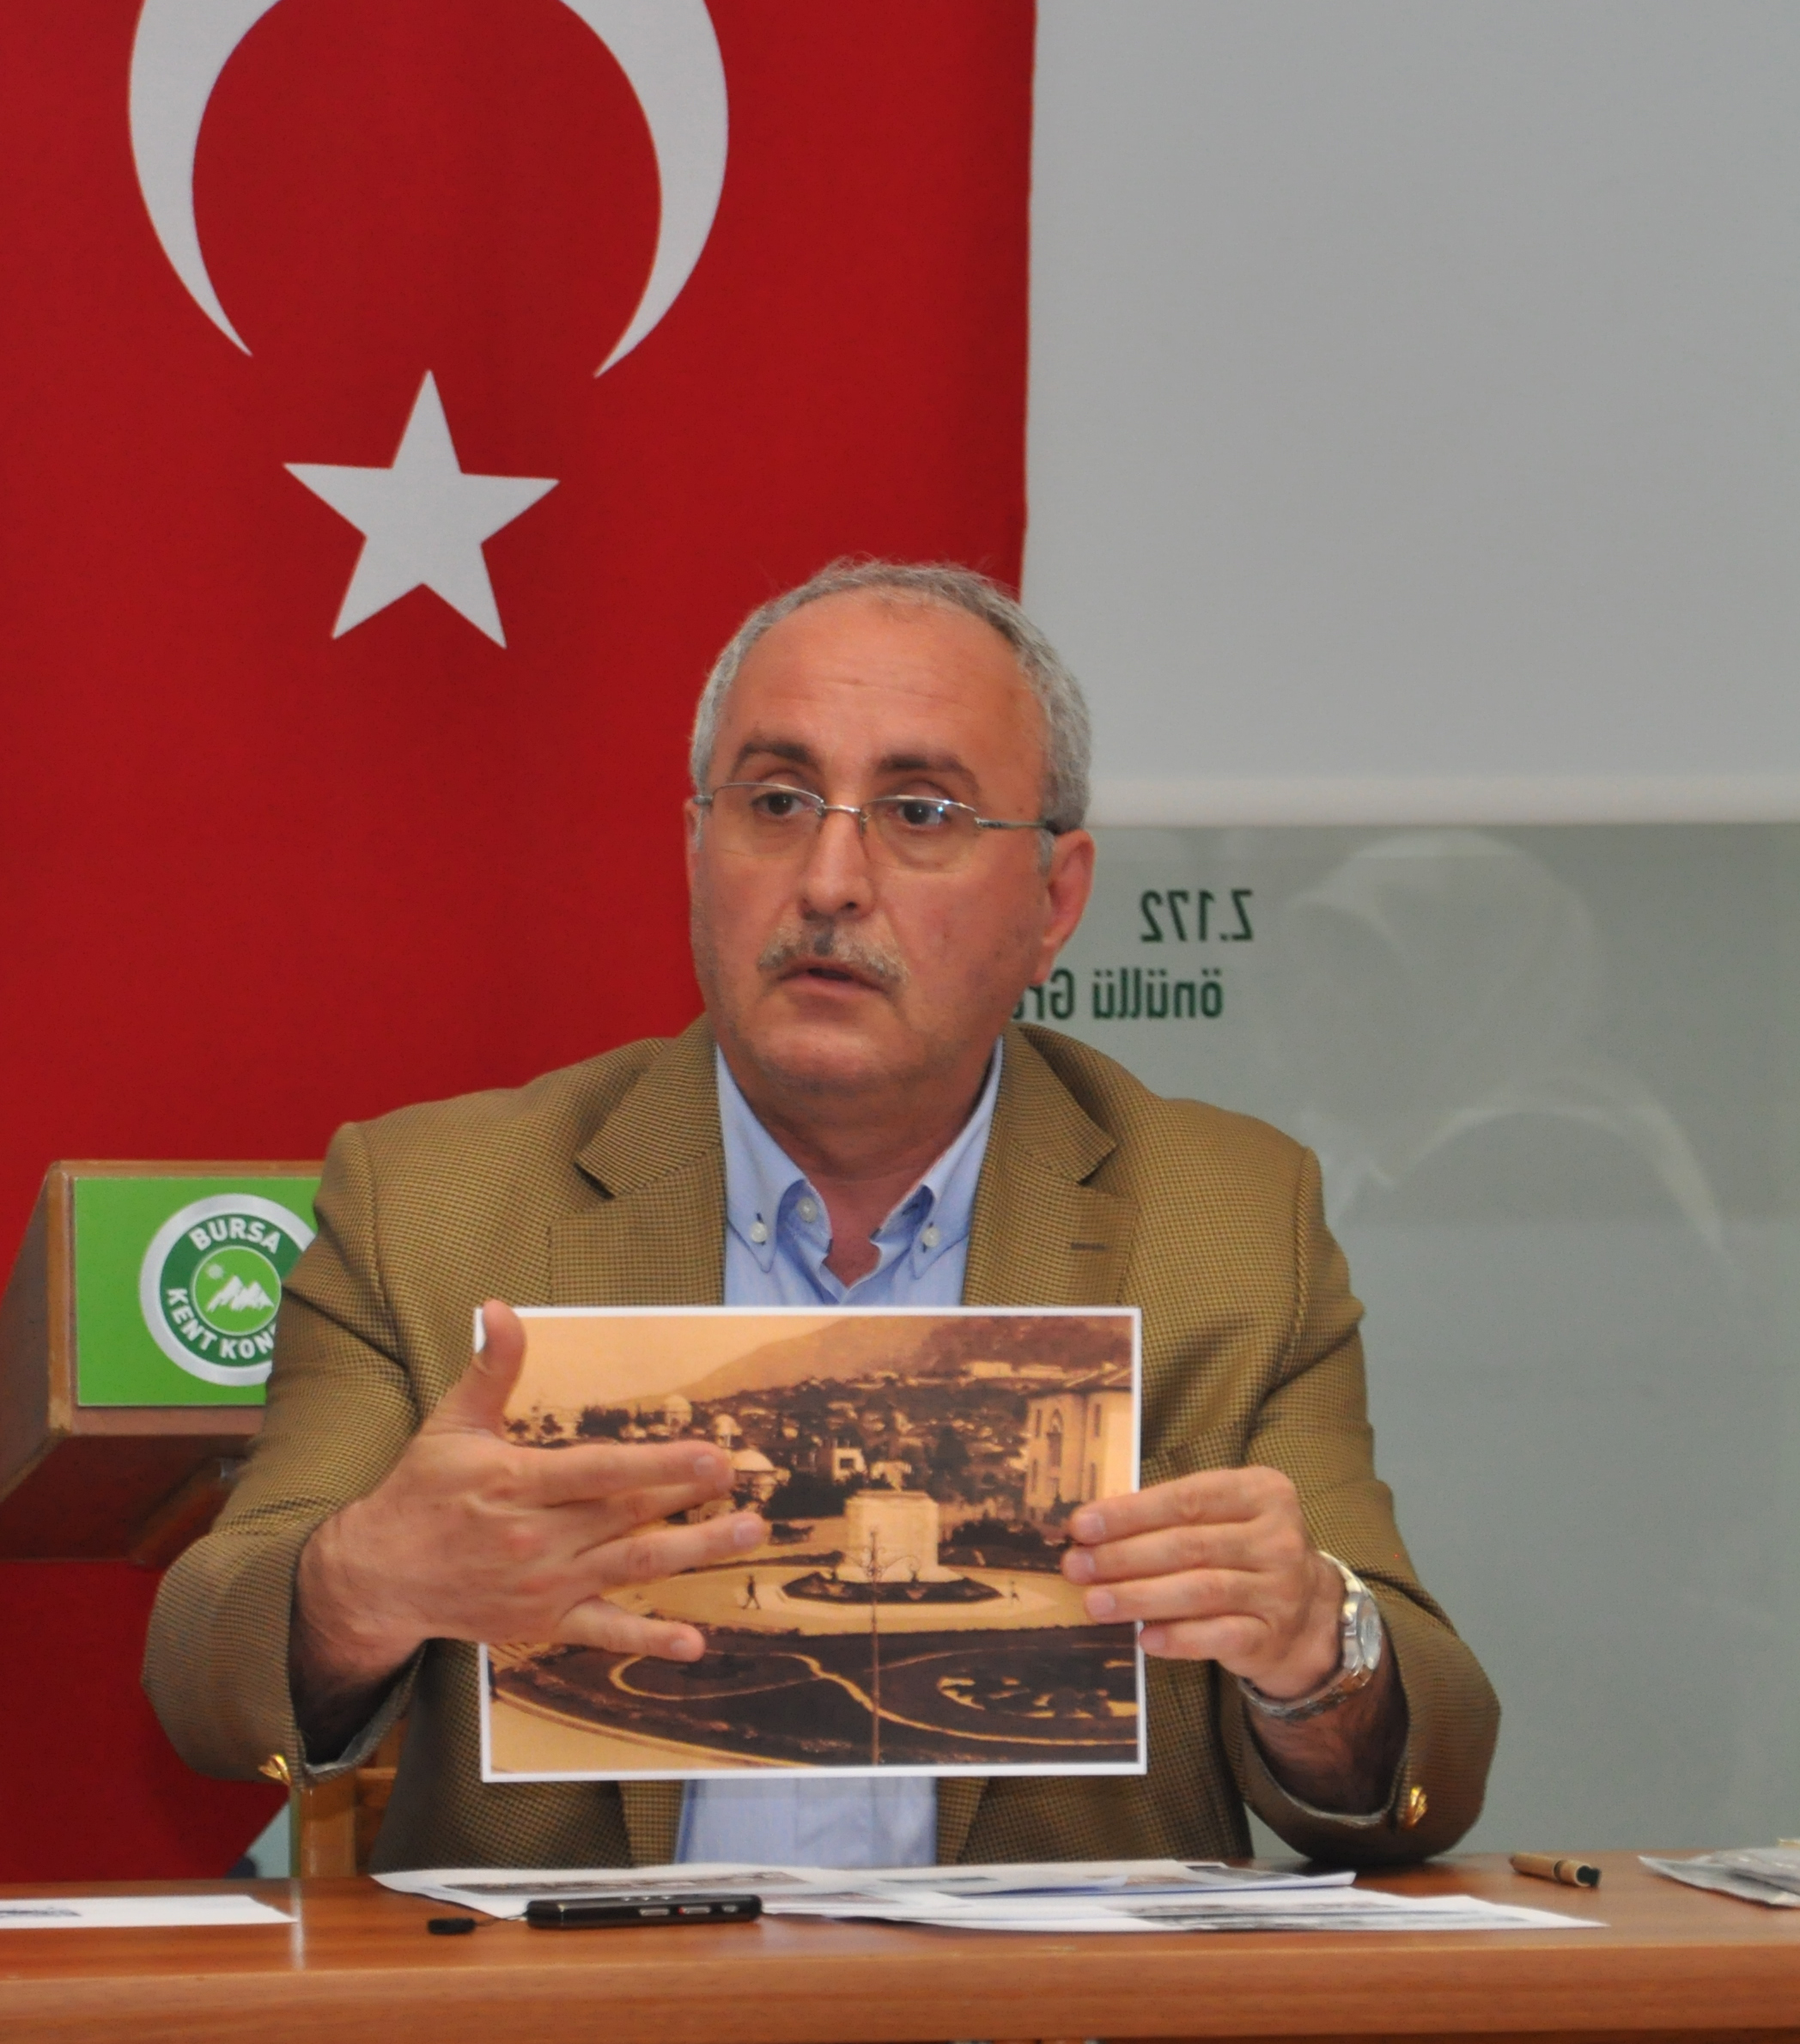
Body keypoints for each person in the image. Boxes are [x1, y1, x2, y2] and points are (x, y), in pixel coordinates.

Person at [144, 561, 1498, 1872]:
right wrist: (361, 1586)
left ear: (1055, 902)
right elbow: (203, 1680)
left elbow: (1423, 1776)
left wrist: (1314, 1649)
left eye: (921, 813)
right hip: (591, 2007)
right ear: (696, 849)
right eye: (779, 800)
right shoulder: (436, 1205)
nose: (831, 880)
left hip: (1037, 2005)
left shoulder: (1230, 1224)